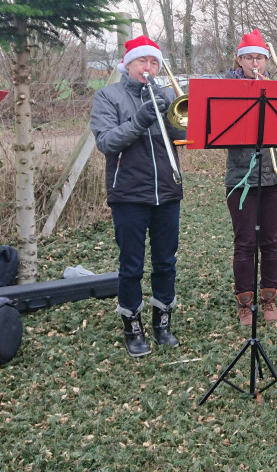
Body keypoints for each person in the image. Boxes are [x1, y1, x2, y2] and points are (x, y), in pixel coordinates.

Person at [90, 35, 186, 357]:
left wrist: (181, 116)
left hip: (167, 192)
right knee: (131, 265)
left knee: (166, 262)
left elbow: (183, 135)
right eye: (143, 61)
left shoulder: (164, 94)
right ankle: (132, 324)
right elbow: (106, 142)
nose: (149, 67)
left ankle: (162, 321)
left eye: (154, 62)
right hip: (128, 194)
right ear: (128, 64)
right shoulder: (108, 96)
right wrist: (141, 118)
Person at [225, 29, 277, 326]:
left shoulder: (276, 86)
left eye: (260, 58)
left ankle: (268, 299)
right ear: (239, 60)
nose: (255, 62)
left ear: (266, 61)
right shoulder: (226, 89)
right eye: (249, 57)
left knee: (271, 240)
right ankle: (245, 302)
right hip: (241, 175)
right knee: (244, 242)